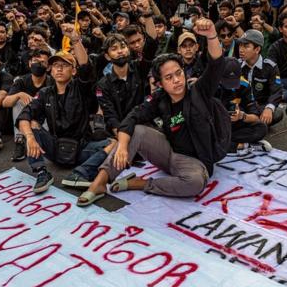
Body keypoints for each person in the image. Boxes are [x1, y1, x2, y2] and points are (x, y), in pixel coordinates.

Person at [79, 18, 230, 206]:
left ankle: (141, 183)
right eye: (169, 77)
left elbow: (216, 65)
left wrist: (211, 35)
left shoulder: (199, 91)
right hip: (168, 155)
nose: (176, 80)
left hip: (195, 162)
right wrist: (124, 146)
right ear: (160, 83)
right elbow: (133, 116)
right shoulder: (159, 99)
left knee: (195, 183)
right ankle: (99, 183)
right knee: (138, 130)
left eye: (178, 73)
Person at [17, 24, 116, 193]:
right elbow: (25, 114)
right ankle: (42, 172)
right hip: (55, 148)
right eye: (56, 65)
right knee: (30, 125)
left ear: (73, 71)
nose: (59, 68)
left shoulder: (81, 88)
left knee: (116, 143)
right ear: (50, 70)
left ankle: (80, 173)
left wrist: (75, 39)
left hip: (81, 150)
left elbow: (85, 68)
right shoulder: (44, 93)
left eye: (65, 65)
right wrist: (30, 137)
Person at [2, 48, 53, 162]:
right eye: (35, 61)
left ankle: (43, 140)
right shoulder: (21, 81)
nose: (38, 65)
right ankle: (19, 141)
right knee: (17, 101)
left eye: (42, 62)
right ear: (30, 63)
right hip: (25, 118)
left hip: (44, 119)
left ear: (48, 67)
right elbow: (5, 103)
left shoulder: (52, 82)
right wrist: (19, 95)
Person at [238, 29, 284, 127]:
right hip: (242, 106)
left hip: (260, 106)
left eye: (246, 46)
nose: (241, 50)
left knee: (278, 113)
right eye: (240, 45)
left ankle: (248, 123)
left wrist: (269, 108)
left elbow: (276, 91)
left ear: (257, 49)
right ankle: (255, 123)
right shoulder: (235, 65)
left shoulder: (270, 67)